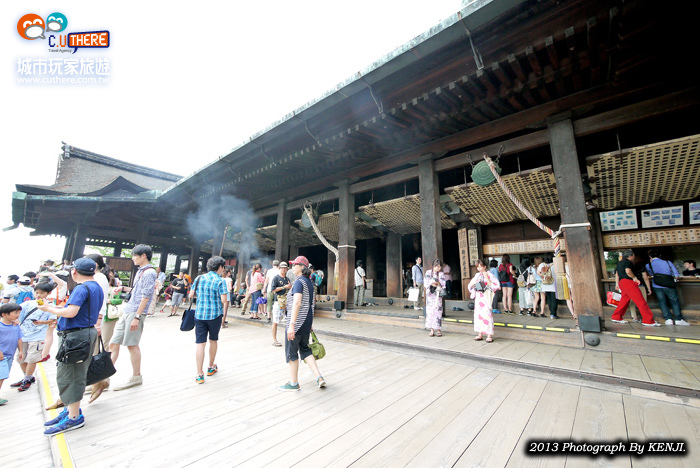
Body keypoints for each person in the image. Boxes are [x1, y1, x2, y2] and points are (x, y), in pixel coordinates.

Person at [37, 257, 103, 436]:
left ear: (74, 272)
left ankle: (74, 418)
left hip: (76, 336)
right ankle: (71, 409)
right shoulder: (96, 286)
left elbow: (71, 312)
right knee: (74, 372)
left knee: (71, 375)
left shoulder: (81, 288)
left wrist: (49, 309)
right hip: (85, 332)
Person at [108, 244, 157, 391]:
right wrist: (123, 288)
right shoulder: (141, 271)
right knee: (113, 343)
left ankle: (136, 377)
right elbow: (137, 292)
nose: (132, 258)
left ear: (143, 256)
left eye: (134, 255)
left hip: (135, 312)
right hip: (129, 309)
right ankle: (104, 377)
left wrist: (137, 317)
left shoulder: (149, 273)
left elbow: (146, 296)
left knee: (132, 344)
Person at [279, 256, 325, 391]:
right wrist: (310, 322)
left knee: (292, 352)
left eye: (295, 265)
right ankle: (319, 376)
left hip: (296, 323)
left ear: (302, 267)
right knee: (305, 349)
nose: (292, 267)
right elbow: (311, 304)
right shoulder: (310, 282)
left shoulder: (299, 282)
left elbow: (297, 303)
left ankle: (293, 383)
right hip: (306, 322)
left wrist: (291, 325)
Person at [11, 282, 56, 392]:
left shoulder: (51, 306)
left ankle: (27, 379)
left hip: (38, 336)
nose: (38, 295)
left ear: (48, 293)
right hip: (23, 336)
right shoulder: (27, 304)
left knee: (32, 358)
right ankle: (27, 376)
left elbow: (53, 319)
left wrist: (41, 322)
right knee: (20, 358)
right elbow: (17, 314)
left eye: (41, 293)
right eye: (36, 293)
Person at [189, 256, 227, 384]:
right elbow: (223, 300)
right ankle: (211, 367)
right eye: (223, 267)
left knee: (200, 343)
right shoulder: (220, 281)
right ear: (220, 267)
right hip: (215, 315)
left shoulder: (199, 278)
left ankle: (199, 374)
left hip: (199, 315)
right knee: (213, 340)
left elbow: (191, 295)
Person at [611, 250, 659, 326]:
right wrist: (635, 278)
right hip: (628, 282)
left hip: (622, 282)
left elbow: (617, 274)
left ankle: (616, 316)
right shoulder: (628, 262)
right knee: (640, 301)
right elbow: (628, 271)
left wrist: (617, 284)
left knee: (624, 300)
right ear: (630, 256)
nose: (634, 257)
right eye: (633, 256)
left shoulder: (620, 263)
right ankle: (648, 320)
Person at [645, 250, 688, 326]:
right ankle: (678, 319)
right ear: (660, 255)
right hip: (669, 285)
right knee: (674, 301)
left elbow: (651, 273)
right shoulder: (667, 262)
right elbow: (676, 274)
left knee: (662, 302)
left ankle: (668, 319)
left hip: (657, 285)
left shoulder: (648, 265)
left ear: (650, 257)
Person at [469, 259, 501, 343]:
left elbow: (497, 285)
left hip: (486, 297)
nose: (479, 269)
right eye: (478, 267)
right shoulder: (477, 275)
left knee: (487, 315)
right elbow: (470, 285)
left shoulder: (489, 274)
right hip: (479, 297)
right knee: (479, 315)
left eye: (481, 267)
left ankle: (489, 334)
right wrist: (474, 283)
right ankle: (480, 333)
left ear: (485, 266)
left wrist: (487, 278)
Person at [0, 303, 24, 406]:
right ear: (4, 314)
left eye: (19, 312)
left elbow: (19, 338)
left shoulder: (15, 325)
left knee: (3, 376)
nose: (18, 314)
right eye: (15, 313)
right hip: (2, 356)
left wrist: (21, 351)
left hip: (9, 355)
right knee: (1, 376)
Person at [270, 262, 291, 347]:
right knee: (275, 321)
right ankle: (274, 340)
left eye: (284, 268)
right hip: (277, 301)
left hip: (286, 302)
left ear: (286, 269)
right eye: (281, 268)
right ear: (279, 268)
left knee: (288, 321)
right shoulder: (276, 278)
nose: (283, 269)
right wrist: (284, 287)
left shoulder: (287, 278)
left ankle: (289, 338)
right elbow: (273, 289)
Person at [423, 259, 446, 337]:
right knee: (430, 312)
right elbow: (426, 282)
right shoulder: (428, 273)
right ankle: (432, 329)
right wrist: (431, 283)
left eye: (439, 267)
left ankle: (438, 329)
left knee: (438, 312)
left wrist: (438, 284)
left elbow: (443, 284)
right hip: (430, 295)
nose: (438, 268)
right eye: (437, 266)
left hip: (437, 295)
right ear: (434, 266)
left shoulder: (441, 274)